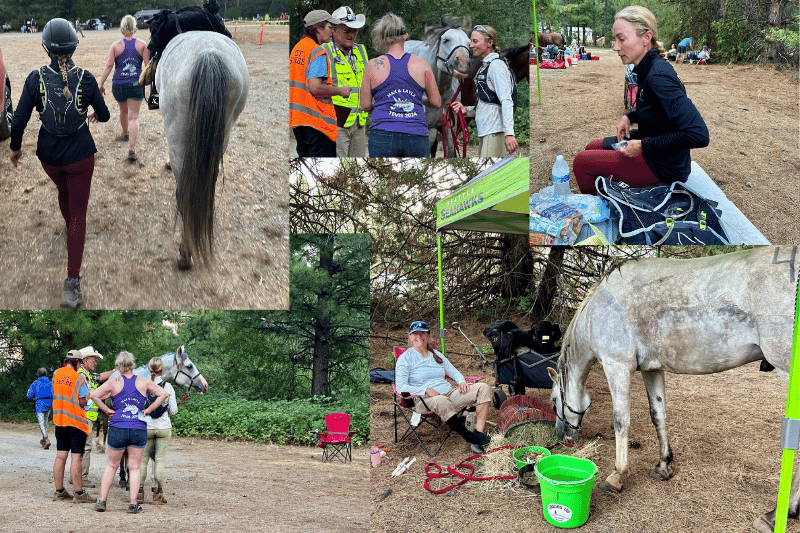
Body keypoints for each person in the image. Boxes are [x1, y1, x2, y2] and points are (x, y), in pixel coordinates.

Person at [9, 18, 110, 310]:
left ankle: (70, 230)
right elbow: (103, 116)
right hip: (80, 154)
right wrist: (91, 112)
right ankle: (72, 285)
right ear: (74, 46)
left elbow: (19, 120)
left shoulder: (34, 78)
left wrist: (15, 148)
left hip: (49, 156)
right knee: (79, 213)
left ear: (46, 48)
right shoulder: (87, 79)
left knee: (63, 190)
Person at [571, 5, 709, 195]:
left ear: (646, 37)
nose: (615, 47)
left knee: (581, 163)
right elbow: (656, 108)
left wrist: (643, 145)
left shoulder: (658, 76)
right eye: (615, 40)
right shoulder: (646, 68)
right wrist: (629, 117)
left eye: (621, 39)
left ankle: (604, 210)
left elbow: (698, 134)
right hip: (653, 146)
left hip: (664, 166)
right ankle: (612, 194)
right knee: (591, 147)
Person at [395, 321, 492, 454]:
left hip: (448, 393)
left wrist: (461, 381)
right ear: (410, 337)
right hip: (423, 400)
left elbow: (453, 371)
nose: (419, 336)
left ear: (428, 335)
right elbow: (400, 386)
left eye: (423, 333)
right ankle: (469, 436)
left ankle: (478, 435)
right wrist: (425, 390)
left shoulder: (435, 354)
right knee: (441, 401)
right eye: (415, 333)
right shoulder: (405, 358)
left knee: (483, 388)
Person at [91, 351, 168, 513]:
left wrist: (106, 410)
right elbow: (163, 394)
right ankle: (133, 504)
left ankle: (102, 501)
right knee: (134, 467)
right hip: (137, 427)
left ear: (118, 366)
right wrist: (148, 409)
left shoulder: (113, 382)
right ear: (133, 365)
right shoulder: (143, 381)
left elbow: (94, 395)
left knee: (111, 465)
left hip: (118, 426)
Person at [359, 13, 441, 157]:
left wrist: (383, 105)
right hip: (416, 134)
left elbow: (364, 105)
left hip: (383, 133)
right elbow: (436, 101)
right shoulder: (422, 65)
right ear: (405, 36)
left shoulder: (372, 65)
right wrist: (416, 99)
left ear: (381, 39)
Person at [290, 9, 350, 157]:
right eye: (330, 27)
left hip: (299, 122)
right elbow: (315, 87)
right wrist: (340, 91)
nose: (332, 31)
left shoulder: (297, 49)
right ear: (318, 27)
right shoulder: (317, 52)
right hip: (317, 125)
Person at [450, 24, 518, 156]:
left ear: (489, 43)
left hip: (495, 131)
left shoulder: (496, 66)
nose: (471, 45)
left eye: (475, 41)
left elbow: (506, 100)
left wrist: (509, 133)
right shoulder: (485, 67)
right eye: (471, 41)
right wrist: (467, 110)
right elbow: (488, 101)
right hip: (486, 131)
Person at [98, 15, 149, 161]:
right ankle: (131, 149)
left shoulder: (115, 46)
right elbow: (147, 67)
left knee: (123, 111)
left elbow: (108, 66)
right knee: (134, 117)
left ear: (121, 31)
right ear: (136, 29)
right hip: (135, 85)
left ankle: (125, 133)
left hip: (118, 85)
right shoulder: (142, 45)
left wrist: (100, 84)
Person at [322, 6, 369, 157]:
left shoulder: (361, 50)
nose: (351, 34)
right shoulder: (324, 51)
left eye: (354, 30)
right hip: (336, 123)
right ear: (334, 30)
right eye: (346, 30)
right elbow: (316, 88)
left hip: (359, 122)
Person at [52, 350, 94, 503]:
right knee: (76, 457)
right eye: (80, 362)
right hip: (76, 423)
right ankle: (79, 493)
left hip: (60, 421)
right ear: (76, 361)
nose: (80, 365)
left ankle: (59, 491)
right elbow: (82, 402)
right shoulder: (79, 378)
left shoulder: (56, 374)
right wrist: (88, 396)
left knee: (60, 456)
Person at [138, 357, 179, 504]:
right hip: (163, 428)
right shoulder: (167, 387)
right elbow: (173, 411)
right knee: (160, 461)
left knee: (142, 462)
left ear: (150, 369)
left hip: (146, 427)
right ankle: (157, 494)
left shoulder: (142, 385)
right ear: (162, 370)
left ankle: (139, 493)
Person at [76, 346, 114, 489]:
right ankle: (82, 477)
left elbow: (100, 377)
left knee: (81, 447)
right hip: (84, 417)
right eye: (94, 360)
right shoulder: (82, 375)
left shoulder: (85, 374)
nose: (95, 362)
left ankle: (77, 475)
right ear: (85, 360)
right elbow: (88, 395)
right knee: (85, 447)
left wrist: (116, 371)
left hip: (85, 416)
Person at [26, 367, 53, 449]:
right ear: (46, 374)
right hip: (49, 403)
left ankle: (45, 438)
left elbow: (28, 395)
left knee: (41, 422)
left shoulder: (35, 383)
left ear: (38, 374)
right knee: (45, 421)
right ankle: (45, 438)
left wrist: (31, 400)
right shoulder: (50, 383)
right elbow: (54, 393)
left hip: (39, 403)